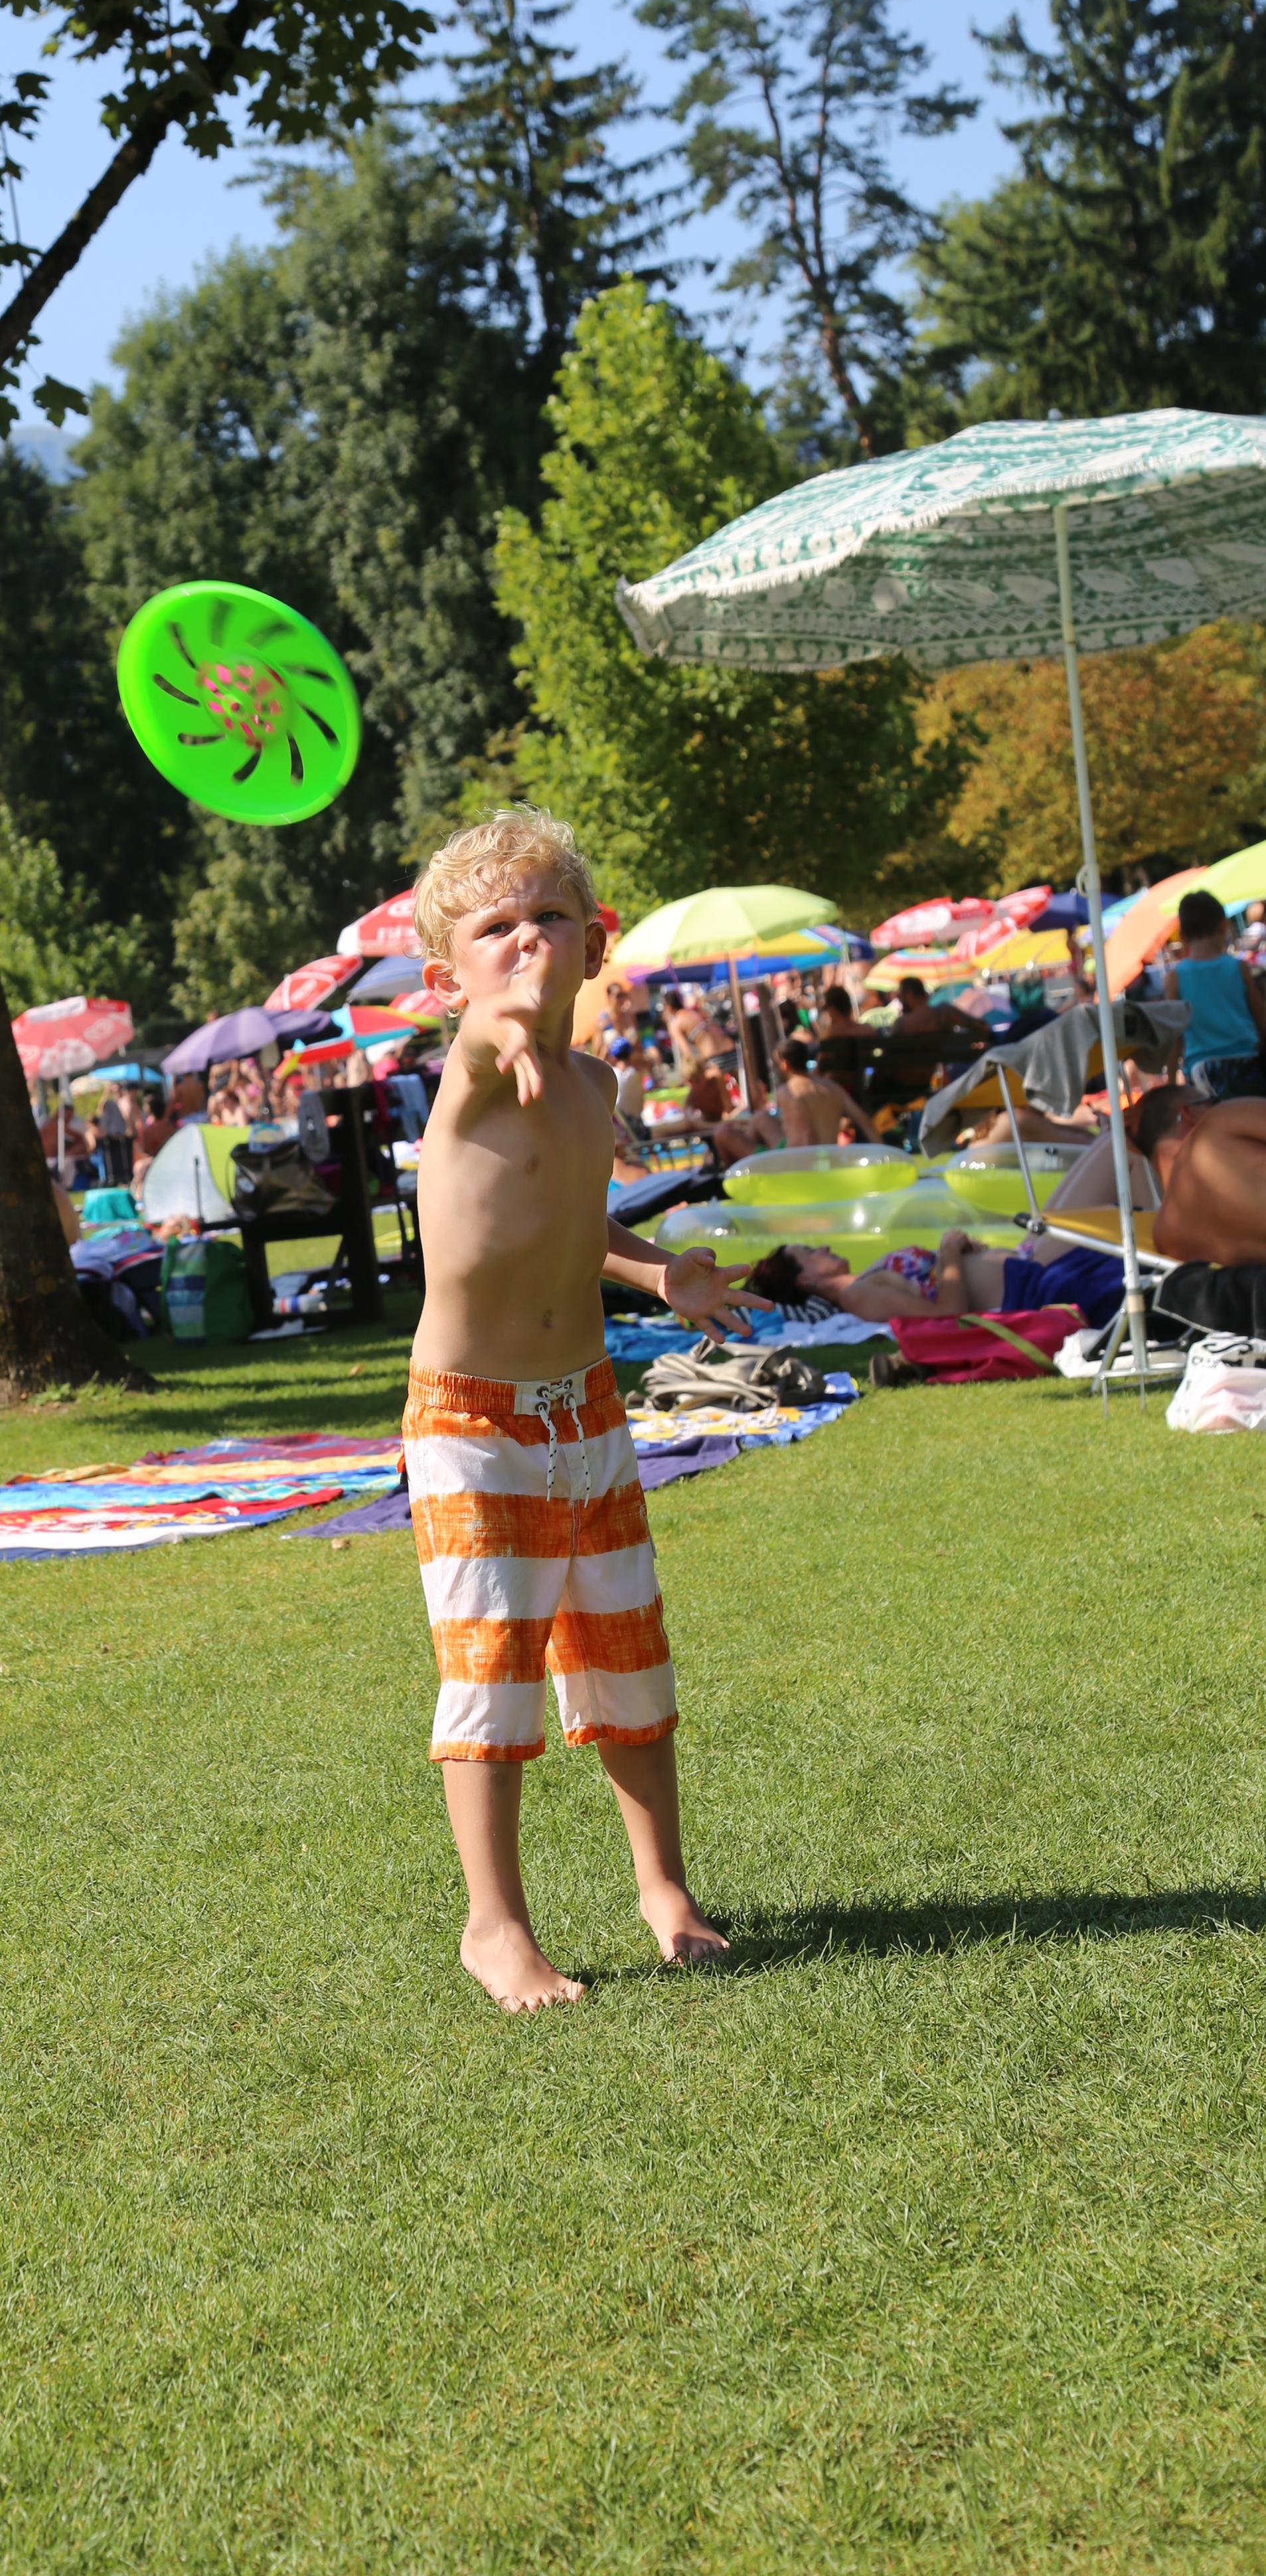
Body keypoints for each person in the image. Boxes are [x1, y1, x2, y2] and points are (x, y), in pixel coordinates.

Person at [410, 805, 753, 2011]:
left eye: (549, 916)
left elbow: (570, 1215)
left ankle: (665, 1890)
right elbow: (483, 1044)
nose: (525, 940)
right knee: (492, 1667)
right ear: (444, 977)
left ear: (595, 942)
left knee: (625, 1653)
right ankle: (494, 1925)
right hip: (473, 1422)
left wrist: (659, 1276)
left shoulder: (591, 1081)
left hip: (585, 1411)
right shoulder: (472, 1076)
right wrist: (494, 1026)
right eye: (493, 928)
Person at [745, 1228, 1127, 1330]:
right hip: (1038, 1288)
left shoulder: (868, 1279)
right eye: (811, 1252)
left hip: (1034, 1270)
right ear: (805, 1281)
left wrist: (960, 1253)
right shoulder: (859, 1297)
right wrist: (949, 1251)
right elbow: (947, 1317)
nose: (825, 1247)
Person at [1162, 888, 1266, 1099]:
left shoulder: (1175, 978)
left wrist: (1172, 1085)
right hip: (1248, 1064)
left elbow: (1174, 1037)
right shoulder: (1238, 968)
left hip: (1203, 1074)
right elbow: (1262, 1019)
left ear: (1183, 936)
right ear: (1223, 926)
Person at [1144, 1092, 1266, 1266]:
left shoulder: (1165, 1234)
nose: (1220, 1103)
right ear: (1190, 1113)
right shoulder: (1221, 1120)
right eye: (1212, 1100)